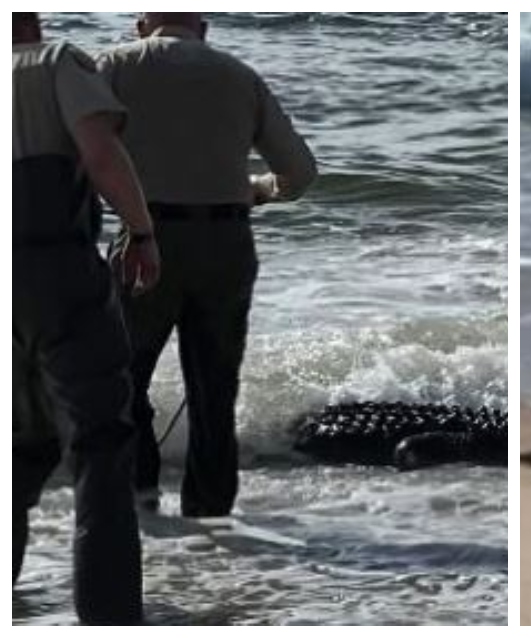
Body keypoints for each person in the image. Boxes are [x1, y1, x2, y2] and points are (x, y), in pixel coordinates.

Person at [99, 13, 318, 518]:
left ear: (141, 26)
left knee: (122, 379)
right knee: (214, 390)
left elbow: (83, 150)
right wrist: (259, 190)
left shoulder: (114, 66)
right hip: (226, 242)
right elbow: (300, 173)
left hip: (147, 237)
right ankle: (211, 518)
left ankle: (140, 499)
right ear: (204, 28)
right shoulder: (240, 75)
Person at [13, 12, 161, 625]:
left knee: (19, 446)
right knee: (100, 446)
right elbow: (100, 152)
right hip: (53, 270)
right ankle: (109, 616)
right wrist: (141, 232)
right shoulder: (53, 62)